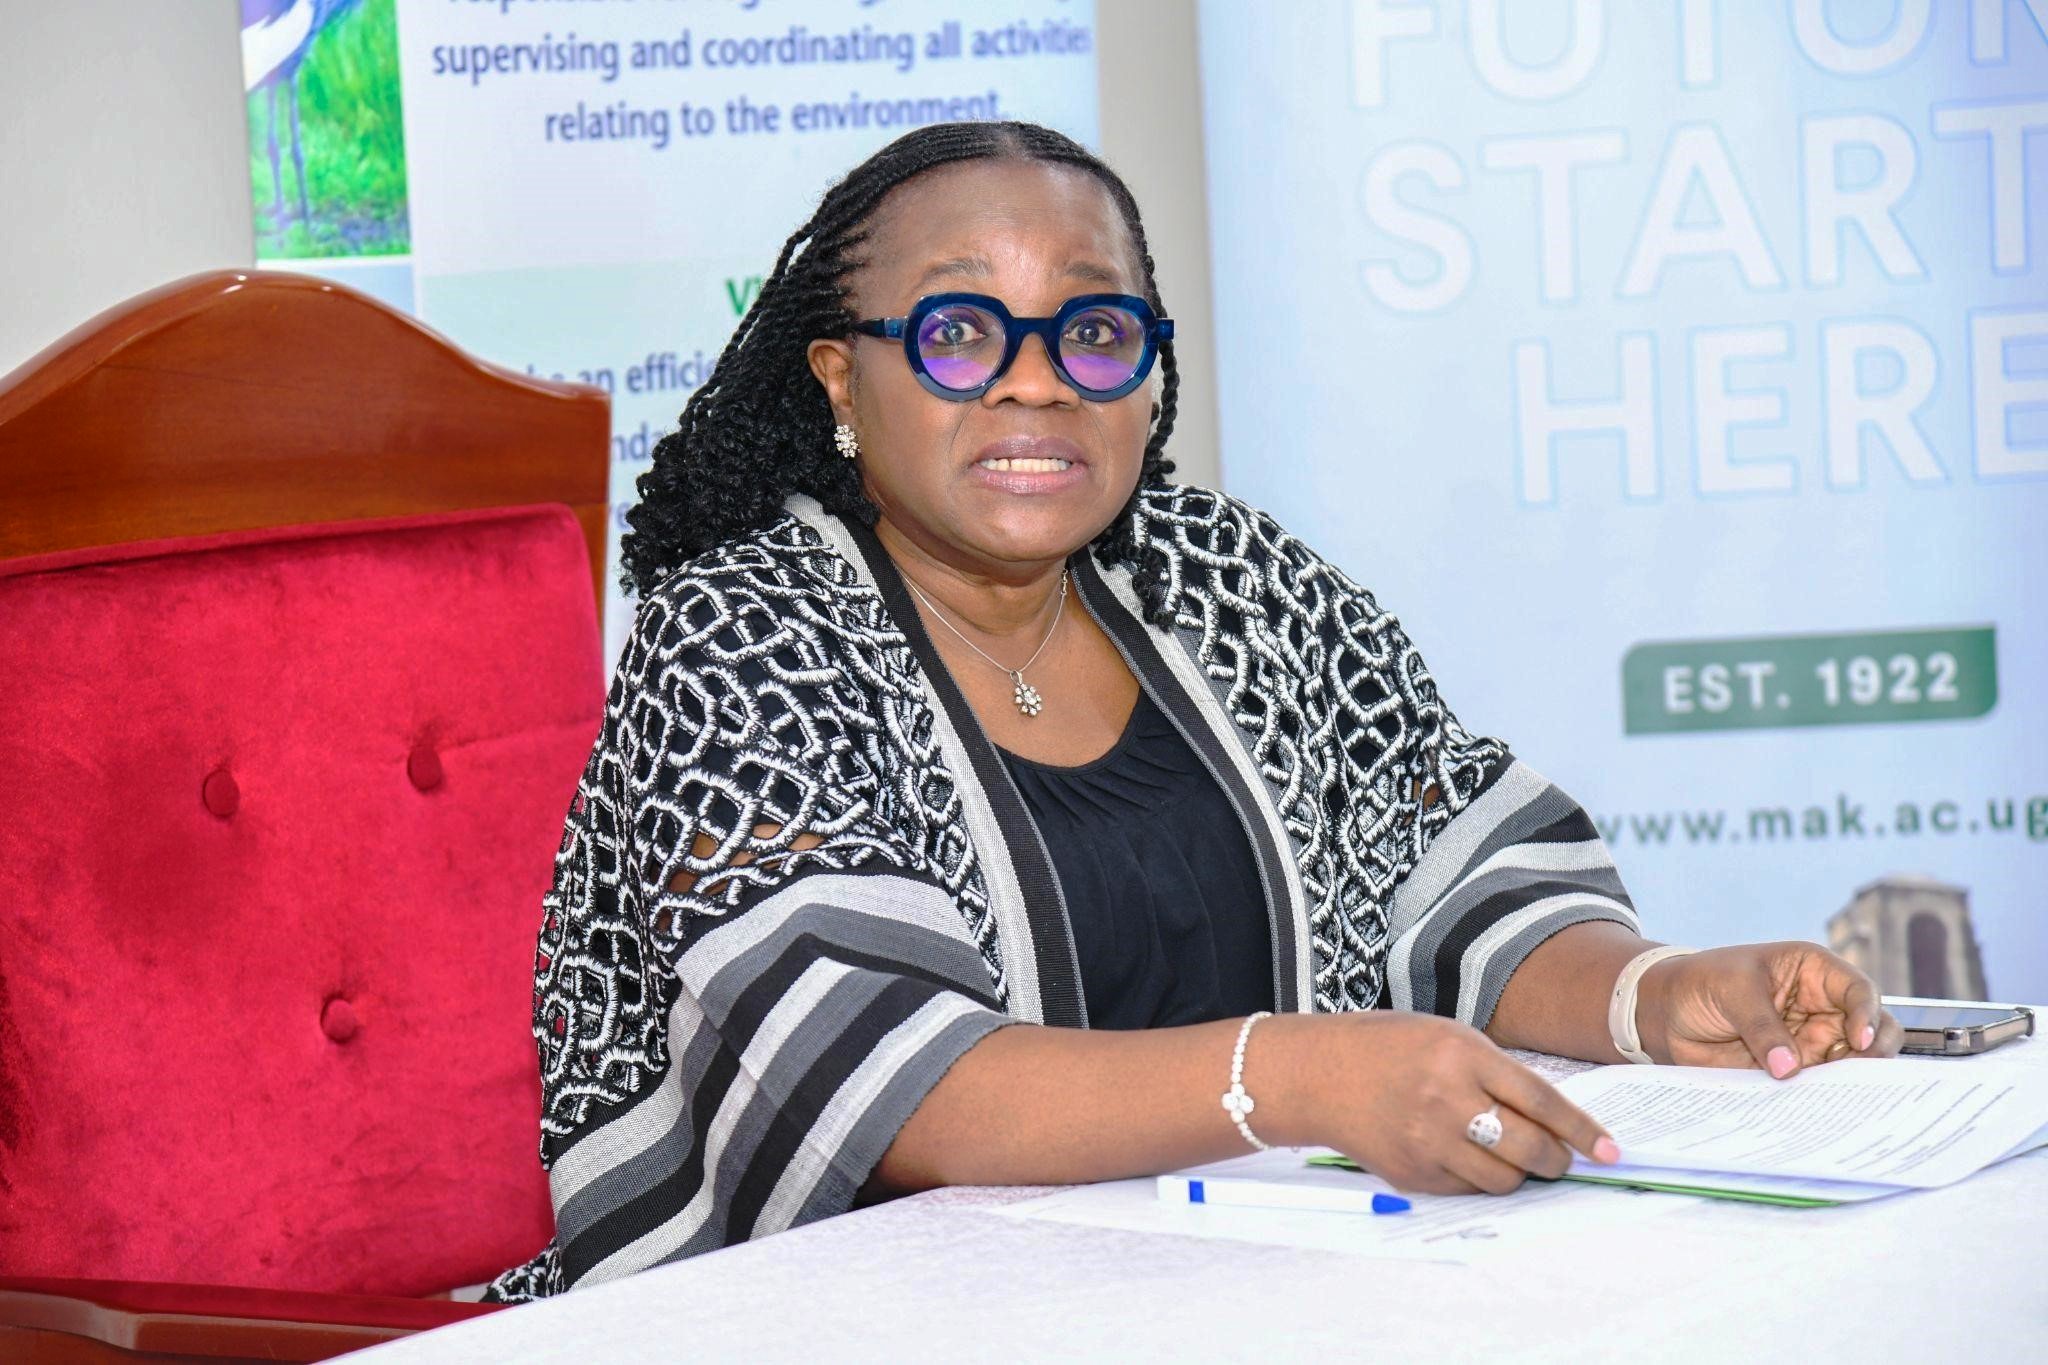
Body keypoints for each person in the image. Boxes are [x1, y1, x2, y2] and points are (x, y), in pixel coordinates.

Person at [486, 120, 1903, 1301]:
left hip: (1257, 1289)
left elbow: (1451, 876)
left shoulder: (1229, 578)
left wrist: (1651, 995)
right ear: (842, 377)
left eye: (1093, 329)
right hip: (847, 1316)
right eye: (961, 330)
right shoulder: (744, 636)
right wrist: (1295, 1075)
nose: (1037, 378)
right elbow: (880, 1078)